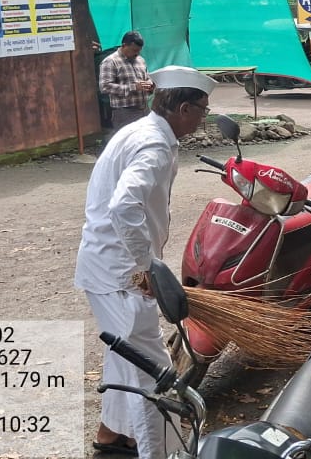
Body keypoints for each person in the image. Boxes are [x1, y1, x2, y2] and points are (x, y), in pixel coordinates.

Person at [75, 66, 216, 459]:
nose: (203, 119)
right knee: (152, 371)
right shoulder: (153, 145)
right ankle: (158, 453)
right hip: (122, 275)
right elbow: (124, 205)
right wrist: (146, 266)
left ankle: (110, 438)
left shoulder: (140, 130)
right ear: (184, 109)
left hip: (106, 267)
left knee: (125, 357)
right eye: (202, 110)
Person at [98, 31, 154, 130]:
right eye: (134, 50)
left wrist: (150, 85)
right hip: (125, 113)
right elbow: (105, 87)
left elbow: (147, 78)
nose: (137, 53)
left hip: (144, 110)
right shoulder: (110, 62)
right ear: (124, 45)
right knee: (130, 139)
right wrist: (133, 87)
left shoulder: (141, 60)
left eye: (139, 51)